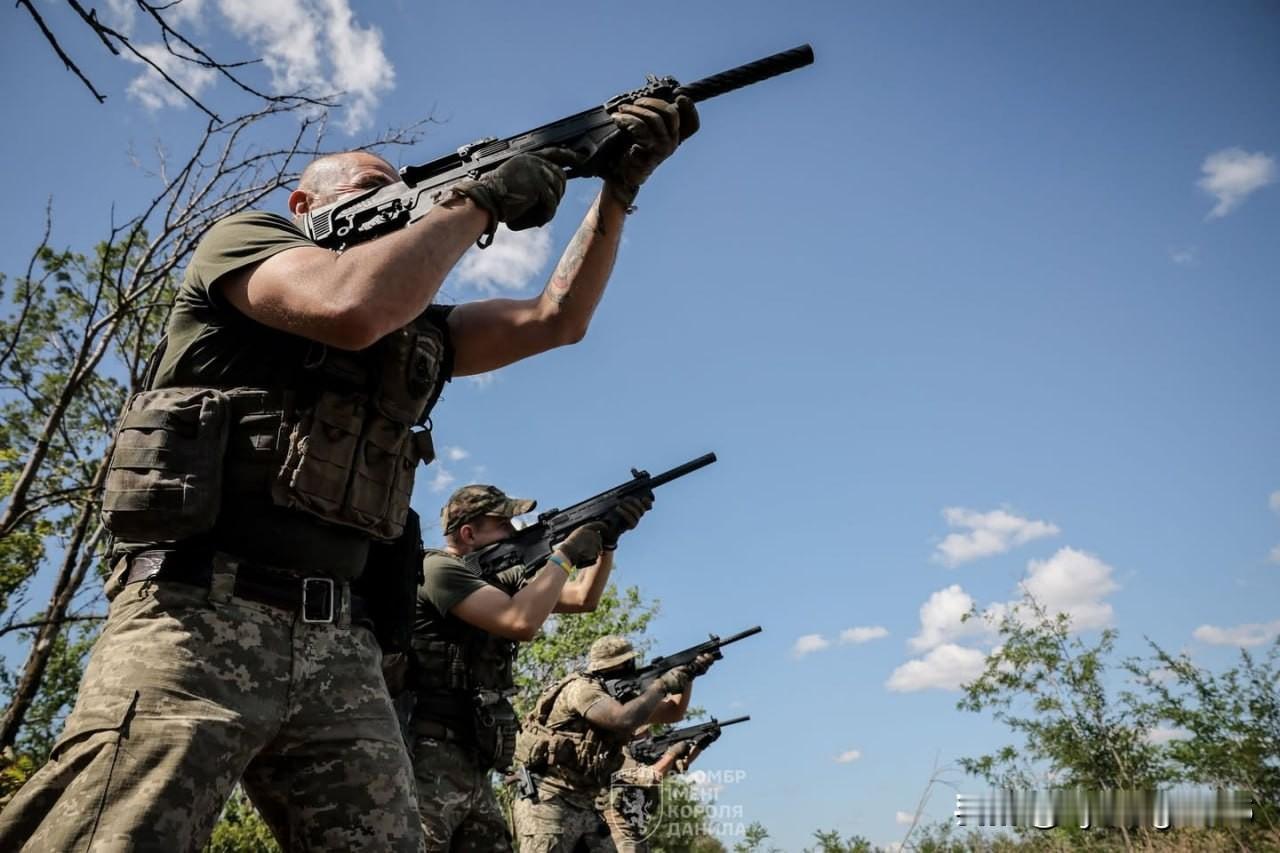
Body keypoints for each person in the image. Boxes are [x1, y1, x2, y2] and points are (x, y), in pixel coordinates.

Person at [0, 92, 699, 852]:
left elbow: (556, 320)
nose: (401, 202)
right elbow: (351, 305)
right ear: (307, 203)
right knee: (112, 835)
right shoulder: (245, 242)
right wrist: (475, 197)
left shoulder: (420, 330)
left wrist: (617, 192)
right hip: (193, 615)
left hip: (340, 642)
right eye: (376, 189)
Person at [408, 484, 650, 851]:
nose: (515, 530)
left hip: (473, 757)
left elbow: (584, 598)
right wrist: (564, 554)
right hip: (427, 753)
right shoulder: (436, 568)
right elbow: (520, 621)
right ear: (468, 533)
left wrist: (608, 539)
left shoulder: (495, 579)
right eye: (503, 523)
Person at [511, 636, 714, 853]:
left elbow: (674, 712)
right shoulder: (581, 689)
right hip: (548, 801)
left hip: (586, 804)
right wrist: (662, 685)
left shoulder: (619, 699)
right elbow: (621, 719)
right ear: (623, 664)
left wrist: (688, 675)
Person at [599, 738, 703, 852]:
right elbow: (649, 777)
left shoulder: (644, 760)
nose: (650, 737)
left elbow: (678, 766)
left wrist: (700, 745)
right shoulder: (619, 755)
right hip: (618, 828)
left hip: (637, 830)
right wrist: (671, 753)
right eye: (645, 735)